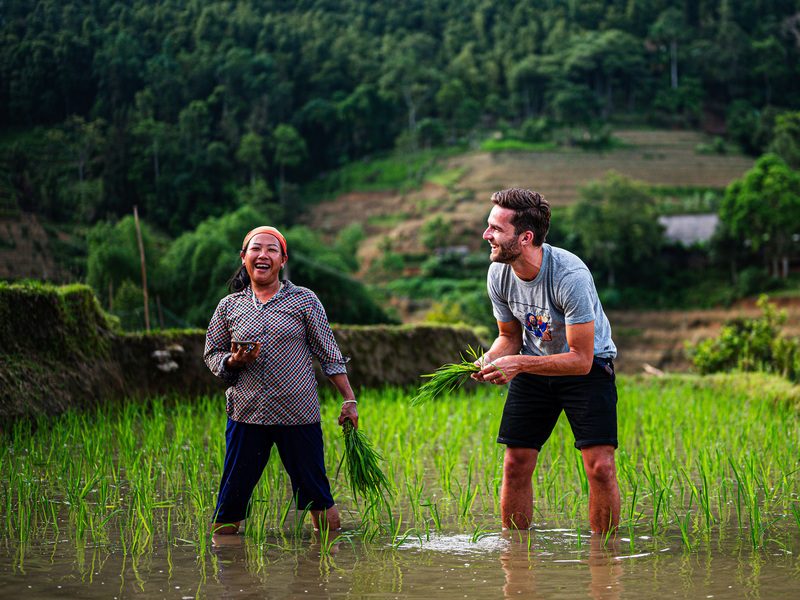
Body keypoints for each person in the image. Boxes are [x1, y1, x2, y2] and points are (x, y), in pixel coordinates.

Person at [472, 188, 620, 533]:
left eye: (496, 229)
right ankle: (516, 553)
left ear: (525, 237)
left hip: (588, 369)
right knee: (515, 464)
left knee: (600, 467)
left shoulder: (569, 276)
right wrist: (490, 358)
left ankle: (604, 554)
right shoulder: (499, 273)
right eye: (489, 225)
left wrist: (519, 364)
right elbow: (509, 337)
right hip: (533, 364)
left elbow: (581, 360)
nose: (486, 234)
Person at [204, 225, 358, 534]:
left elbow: (329, 353)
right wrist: (233, 361)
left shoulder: (304, 301)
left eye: (272, 250)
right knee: (229, 504)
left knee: (318, 498)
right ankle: (228, 562)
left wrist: (349, 399)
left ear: (283, 260)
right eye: (256, 248)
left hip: (297, 415)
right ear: (244, 257)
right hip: (246, 415)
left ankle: (329, 559)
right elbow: (211, 353)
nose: (263, 254)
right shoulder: (229, 306)